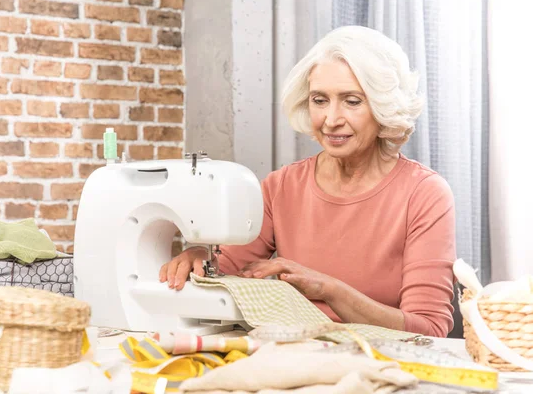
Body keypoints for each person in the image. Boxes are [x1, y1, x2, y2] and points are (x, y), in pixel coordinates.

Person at [159, 26, 456, 337]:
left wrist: (329, 290)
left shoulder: (424, 194)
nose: (330, 119)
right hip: (301, 354)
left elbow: (430, 330)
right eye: (320, 100)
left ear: (383, 107)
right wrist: (199, 258)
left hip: (383, 362)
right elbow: (226, 268)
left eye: (352, 101)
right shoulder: (281, 187)